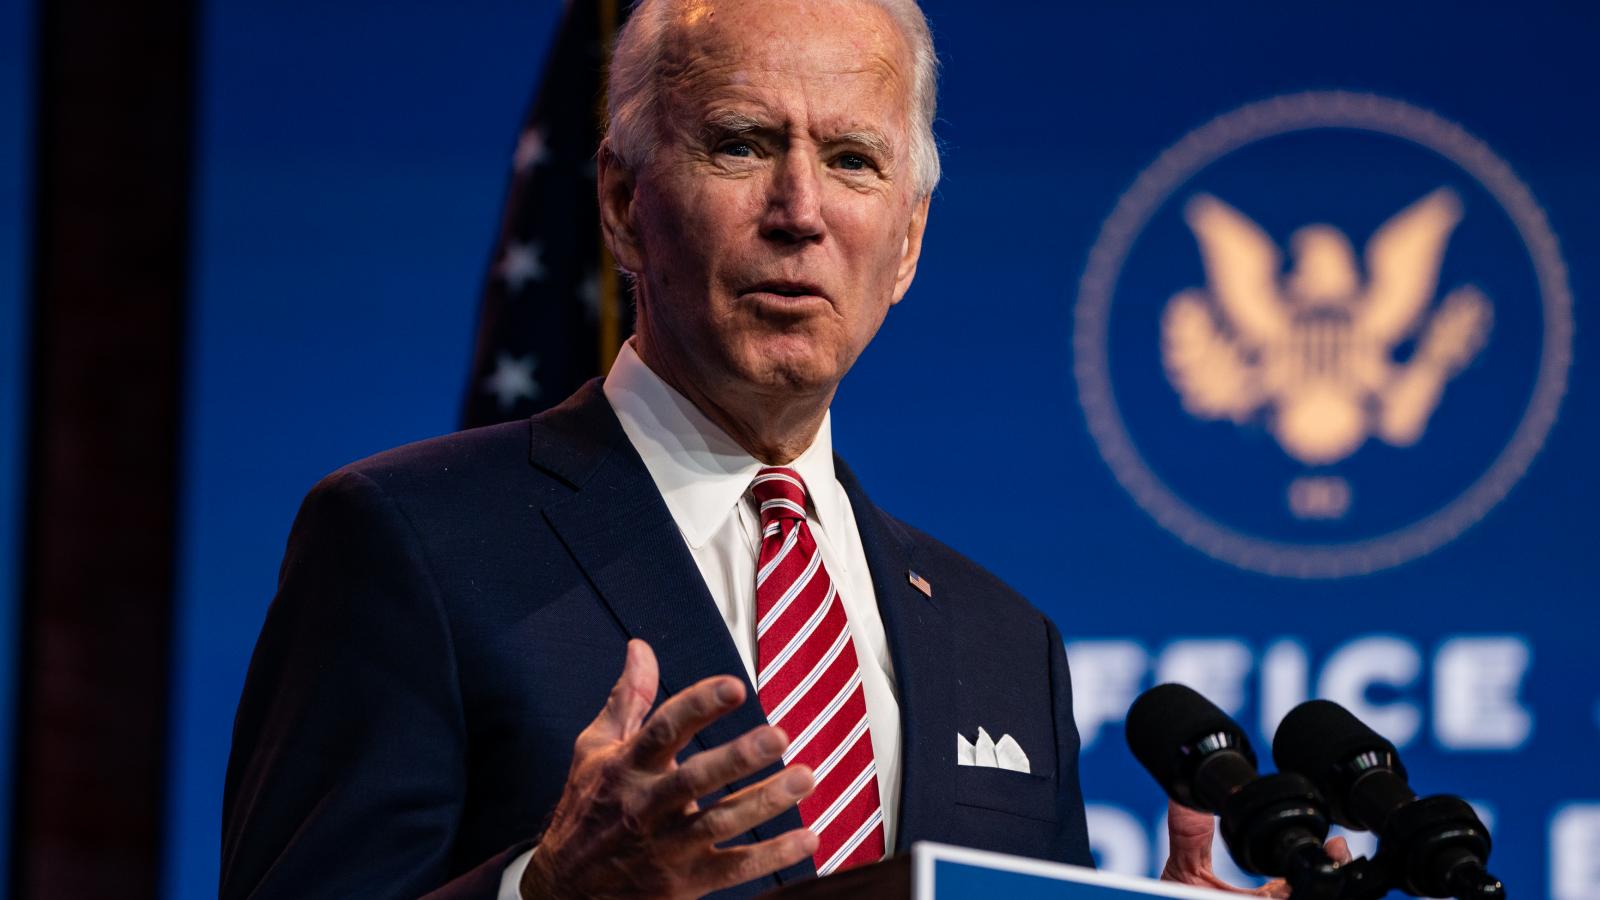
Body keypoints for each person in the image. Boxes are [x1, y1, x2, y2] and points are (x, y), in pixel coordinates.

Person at [221, 1, 1333, 897]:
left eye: (852, 160)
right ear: (619, 205)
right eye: (742, 144)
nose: (799, 210)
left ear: (905, 244)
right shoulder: (412, 542)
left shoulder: (1006, 645)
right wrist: (548, 894)